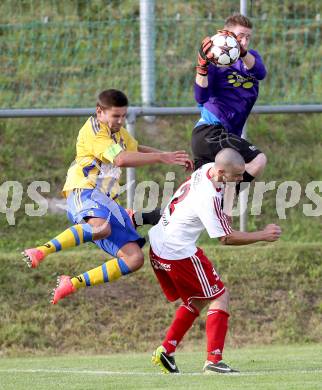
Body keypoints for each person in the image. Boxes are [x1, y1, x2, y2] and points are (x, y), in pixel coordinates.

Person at [22, 89, 193, 304]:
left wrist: (170, 156)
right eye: (116, 116)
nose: (121, 121)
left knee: (134, 259)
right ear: (100, 112)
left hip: (107, 202)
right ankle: (40, 250)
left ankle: (72, 283)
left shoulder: (119, 132)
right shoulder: (93, 130)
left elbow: (136, 148)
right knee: (102, 228)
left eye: (123, 115)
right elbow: (120, 159)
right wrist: (161, 157)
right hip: (84, 191)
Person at [148, 148, 281, 374]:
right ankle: (213, 361)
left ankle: (166, 351)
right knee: (220, 295)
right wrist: (263, 235)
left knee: (198, 300)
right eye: (237, 175)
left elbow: (226, 191)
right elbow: (225, 238)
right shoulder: (207, 197)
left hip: (159, 244)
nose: (241, 179)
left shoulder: (206, 170)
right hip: (177, 251)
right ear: (221, 172)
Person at [192, 13, 267, 189]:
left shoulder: (250, 58)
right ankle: (228, 197)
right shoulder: (215, 65)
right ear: (226, 36)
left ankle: (149, 216)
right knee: (257, 160)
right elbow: (200, 97)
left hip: (226, 135)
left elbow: (260, 73)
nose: (245, 41)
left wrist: (242, 52)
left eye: (248, 37)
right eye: (241, 36)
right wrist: (202, 68)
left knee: (200, 197)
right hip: (210, 133)